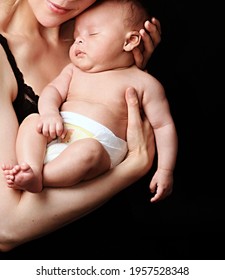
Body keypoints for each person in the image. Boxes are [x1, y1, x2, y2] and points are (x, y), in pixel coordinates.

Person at [0, 0, 162, 252]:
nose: (65, 1)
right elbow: (6, 228)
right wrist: (133, 167)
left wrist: (128, 70)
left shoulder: (105, 35)